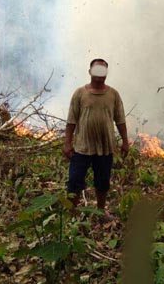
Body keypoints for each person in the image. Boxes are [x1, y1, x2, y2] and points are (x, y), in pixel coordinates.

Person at [63, 58, 129, 220]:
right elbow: (72, 120)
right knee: (75, 181)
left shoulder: (113, 94)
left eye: (103, 72)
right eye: (96, 71)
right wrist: (67, 143)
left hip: (105, 148)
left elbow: (120, 120)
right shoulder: (80, 93)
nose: (99, 76)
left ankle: (100, 211)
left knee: (102, 182)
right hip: (82, 148)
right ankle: (71, 213)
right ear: (90, 72)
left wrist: (125, 141)